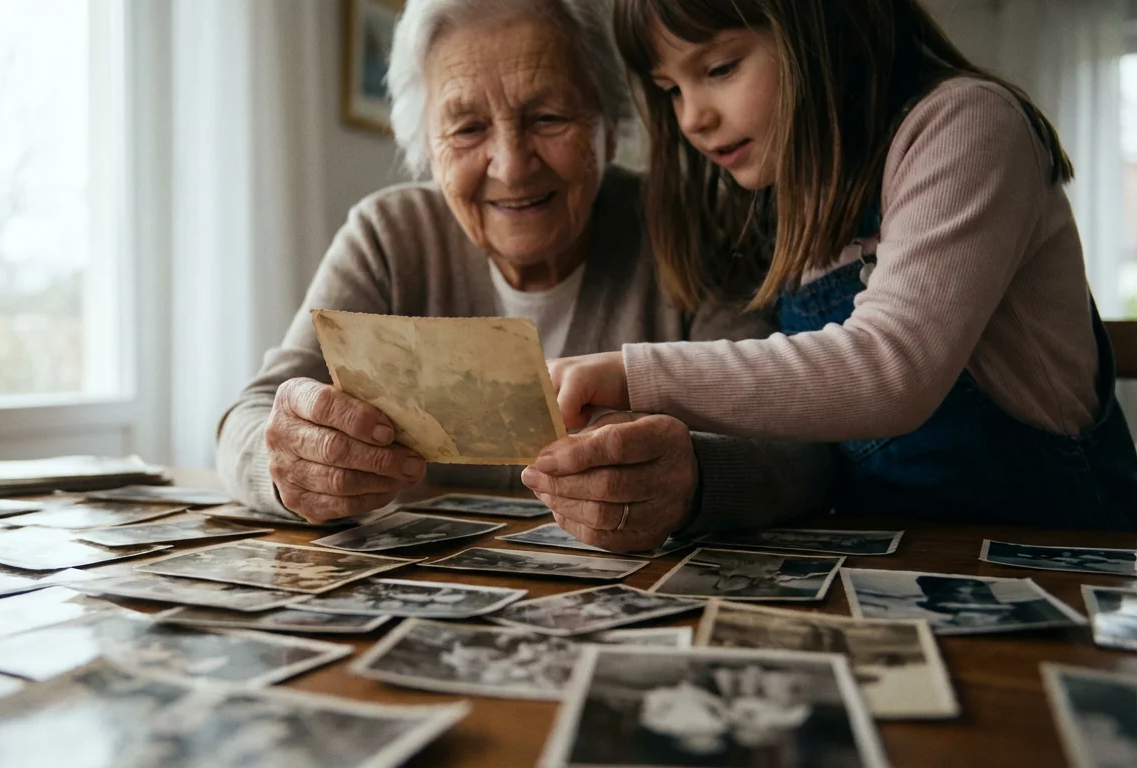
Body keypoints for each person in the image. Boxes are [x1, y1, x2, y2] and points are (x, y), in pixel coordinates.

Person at [215, 0, 834, 552]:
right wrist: (291, 465)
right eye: (467, 128)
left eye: (547, 118)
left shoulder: (690, 229)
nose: (511, 167)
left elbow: (802, 449)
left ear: (606, 126)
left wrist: (693, 477)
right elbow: (251, 415)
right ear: (428, 148)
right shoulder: (388, 235)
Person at [538, 0, 1137, 531]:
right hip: (889, 561)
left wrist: (633, 373)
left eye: (719, 69)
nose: (692, 116)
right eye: (671, 89)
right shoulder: (779, 196)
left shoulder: (968, 125)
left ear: (823, 21)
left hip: (1061, 554)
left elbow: (890, 369)